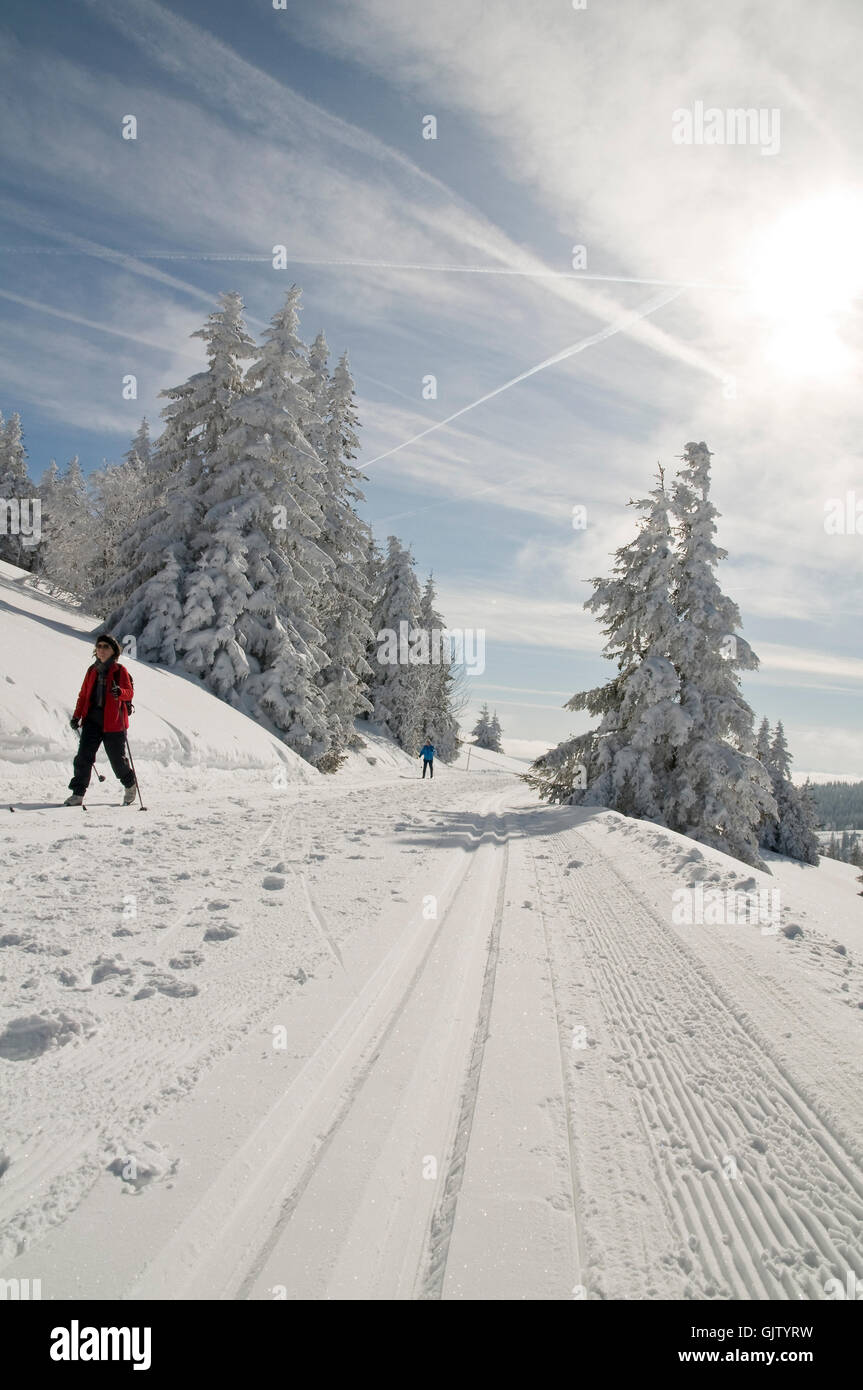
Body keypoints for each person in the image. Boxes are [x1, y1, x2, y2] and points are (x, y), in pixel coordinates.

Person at [65, 634, 137, 805]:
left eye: (106, 647)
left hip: (114, 723)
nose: (102, 650)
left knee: (117, 762)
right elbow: (83, 695)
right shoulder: (92, 670)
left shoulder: (120, 671)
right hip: (92, 720)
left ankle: (129, 784)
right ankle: (78, 794)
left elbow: (129, 692)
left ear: (113, 651)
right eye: (99, 646)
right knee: (83, 757)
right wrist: (77, 715)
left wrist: (120, 692)